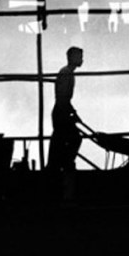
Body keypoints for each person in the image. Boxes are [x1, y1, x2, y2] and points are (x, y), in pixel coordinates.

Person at [47, 46, 84, 176]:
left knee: (61, 139)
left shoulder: (68, 72)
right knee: (73, 138)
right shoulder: (66, 72)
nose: (82, 59)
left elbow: (63, 98)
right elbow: (62, 97)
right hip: (61, 111)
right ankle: (64, 164)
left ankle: (59, 165)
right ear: (71, 57)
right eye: (79, 57)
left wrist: (72, 112)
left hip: (62, 110)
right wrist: (72, 113)